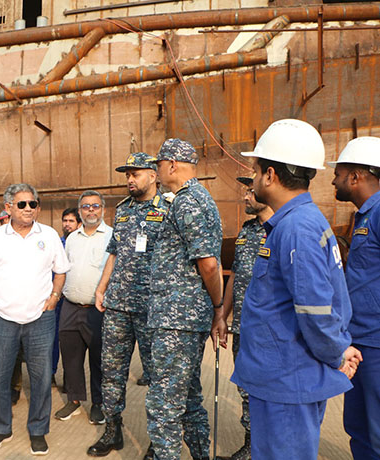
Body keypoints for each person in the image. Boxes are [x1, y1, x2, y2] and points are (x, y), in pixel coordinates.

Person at [231, 119, 361, 460]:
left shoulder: (296, 229)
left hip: (286, 383)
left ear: (271, 175)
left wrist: (337, 353)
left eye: (256, 170)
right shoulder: (297, 222)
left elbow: (316, 308)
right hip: (282, 379)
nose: (254, 178)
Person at [0, 183, 70, 456]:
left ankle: (38, 431)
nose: (29, 209)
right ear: (8, 207)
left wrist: (54, 297)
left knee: (41, 378)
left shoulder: (50, 235)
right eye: (22, 204)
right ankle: (0, 428)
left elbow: (61, 271)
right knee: (0, 375)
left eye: (33, 204)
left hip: (41, 318)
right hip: (3, 318)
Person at [87, 153, 169, 457]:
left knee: (158, 375)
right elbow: (114, 253)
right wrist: (101, 287)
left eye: (135, 174)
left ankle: (157, 441)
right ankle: (112, 430)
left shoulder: (169, 209)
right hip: (119, 304)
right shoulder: (122, 211)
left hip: (153, 307)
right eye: (127, 175)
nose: (130, 179)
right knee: (112, 371)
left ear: (153, 175)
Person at [147, 139, 223, 460]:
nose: (157, 171)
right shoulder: (198, 199)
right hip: (185, 319)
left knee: (163, 405)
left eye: (159, 165)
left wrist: (219, 308)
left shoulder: (186, 203)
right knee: (189, 398)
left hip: (176, 320)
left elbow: (208, 264)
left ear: (172, 165)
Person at [330, 136, 380, 459]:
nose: (333, 180)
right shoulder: (364, 216)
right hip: (360, 341)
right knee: (358, 428)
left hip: (377, 343)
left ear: (355, 177)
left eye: (338, 173)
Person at [218, 176, 273, 460]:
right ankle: (251, 446)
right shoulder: (246, 230)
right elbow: (234, 276)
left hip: (269, 330)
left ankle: (266, 448)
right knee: (246, 388)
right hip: (241, 325)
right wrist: (222, 316)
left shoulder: (282, 230)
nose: (246, 196)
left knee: (269, 392)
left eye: (251, 191)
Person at [56, 190, 112, 425]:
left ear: (103, 210)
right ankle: (75, 400)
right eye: (86, 207)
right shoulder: (72, 238)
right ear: (80, 211)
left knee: (99, 357)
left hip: (98, 308)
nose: (91, 210)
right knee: (70, 356)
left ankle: (98, 403)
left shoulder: (112, 235)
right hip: (70, 306)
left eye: (96, 206)